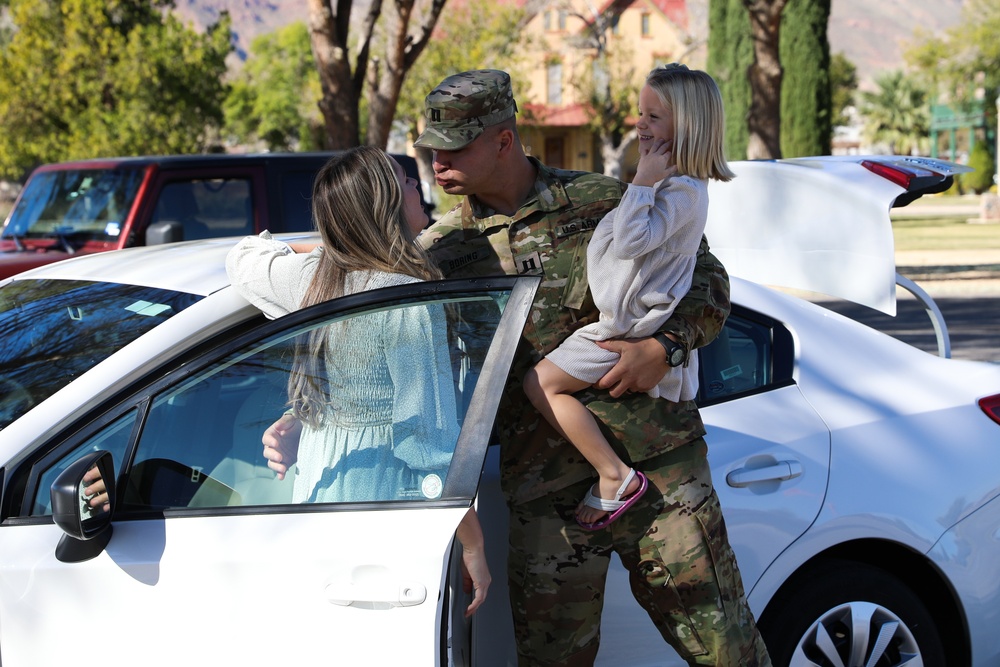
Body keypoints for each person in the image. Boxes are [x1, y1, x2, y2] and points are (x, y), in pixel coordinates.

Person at [412, 69, 771, 665]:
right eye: (431, 147)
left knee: (727, 651)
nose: (436, 161)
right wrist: (303, 413)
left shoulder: (604, 199)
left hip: (657, 466)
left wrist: (666, 349)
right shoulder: (442, 254)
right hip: (544, 488)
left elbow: (706, 280)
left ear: (504, 140)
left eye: (454, 146)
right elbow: (402, 356)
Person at [225, 146, 490, 617]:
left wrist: (325, 246)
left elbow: (243, 256)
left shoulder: (311, 277)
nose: (418, 187)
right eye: (405, 182)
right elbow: (424, 441)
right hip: (383, 496)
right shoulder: (406, 299)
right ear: (385, 203)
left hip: (317, 487)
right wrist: (472, 540)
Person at [521, 65, 735, 532]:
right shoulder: (672, 185)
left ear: (689, 124)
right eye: (641, 112)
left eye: (654, 117)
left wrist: (640, 181)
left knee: (541, 384)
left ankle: (613, 474)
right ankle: (611, 471)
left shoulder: (683, 192)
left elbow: (632, 242)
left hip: (625, 326)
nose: (640, 123)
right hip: (628, 318)